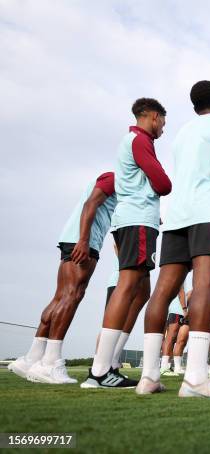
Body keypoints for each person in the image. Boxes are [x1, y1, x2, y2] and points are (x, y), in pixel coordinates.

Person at [135, 80, 210, 398]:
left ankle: (148, 377)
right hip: (209, 213)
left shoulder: (182, 133)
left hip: (177, 217)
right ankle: (196, 379)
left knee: (162, 292)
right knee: (207, 286)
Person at [82, 98, 171, 389]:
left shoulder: (133, 141)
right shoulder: (139, 140)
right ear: (154, 117)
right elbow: (163, 183)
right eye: (163, 121)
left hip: (131, 220)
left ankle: (110, 363)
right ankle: (100, 370)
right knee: (128, 285)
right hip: (137, 219)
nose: (163, 128)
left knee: (141, 288)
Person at [9, 172, 116, 384]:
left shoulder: (121, 185)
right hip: (84, 242)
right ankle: (51, 362)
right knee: (72, 295)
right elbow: (89, 205)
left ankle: (32, 358)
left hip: (74, 239)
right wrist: (84, 240)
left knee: (60, 297)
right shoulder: (115, 177)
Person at [96, 246, 151, 379]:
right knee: (109, 325)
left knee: (122, 323)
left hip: (130, 280)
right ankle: (98, 366)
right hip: (120, 281)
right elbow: (117, 244)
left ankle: (112, 363)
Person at [160, 285, 187, 376]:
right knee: (170, 338)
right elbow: (180, 290)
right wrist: (184, 309)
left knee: (181, 340)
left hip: (180, 311)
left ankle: (177, 367)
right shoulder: (180, 272)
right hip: (177, 310)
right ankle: (164, 367)